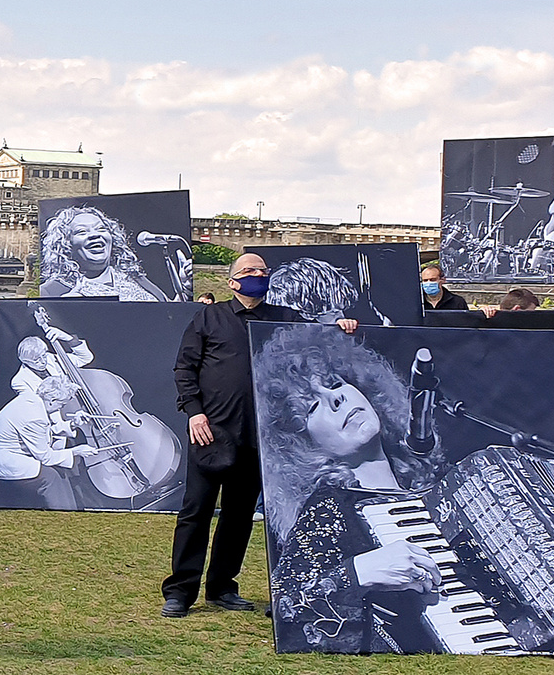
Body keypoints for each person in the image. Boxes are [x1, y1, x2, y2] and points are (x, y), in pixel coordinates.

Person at [166, 252, 354, 619]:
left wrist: (342, 326)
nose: (258, 275)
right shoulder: (209, 317)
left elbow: (321, 337)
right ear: (232, 281)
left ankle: (221, 587)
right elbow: (184, 367)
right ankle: (180, 591)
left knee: (238, 516)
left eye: (263, 271)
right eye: (249, 271)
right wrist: (195, 412)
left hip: (261, 438)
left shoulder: (283, 319)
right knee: (196, 512)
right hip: (212, 431)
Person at [253, 328, 454, 653]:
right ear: (303, 445)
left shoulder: (434, 480)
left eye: (335, 383)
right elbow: (284, 606)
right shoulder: (328, 508)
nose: (336, 398)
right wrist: (360, 572)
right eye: (311, 407)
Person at [0, 376, 105, 511]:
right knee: (51, 478)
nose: (60, 409)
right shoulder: (35, 416)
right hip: (7, 461)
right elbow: (45, 457)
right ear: (52, 400)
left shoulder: (32, 399)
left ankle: (72, 509)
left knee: (61, 471)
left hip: (16, 453)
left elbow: (43, 434)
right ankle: (64, 516)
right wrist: (76, 451)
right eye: (62, 405)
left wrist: (73, 424)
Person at [38, 206, 169, 301]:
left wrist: (185, 289)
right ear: (65, 245)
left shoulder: (133, 277)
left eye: (101, 229)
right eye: (82, 232)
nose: (95, 235)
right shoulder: (51, 291)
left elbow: (170, 314)